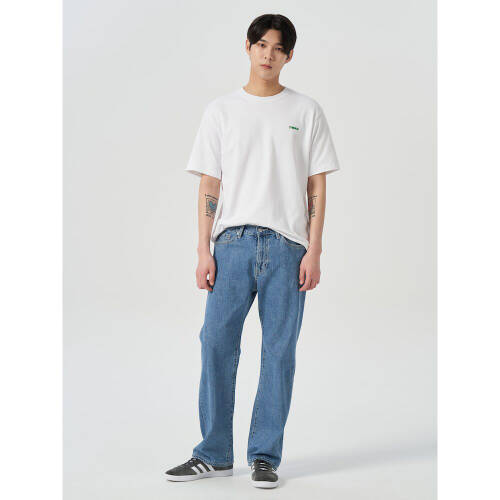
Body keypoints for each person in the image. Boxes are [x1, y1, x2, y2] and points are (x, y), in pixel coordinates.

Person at [165, 13, 340, 489]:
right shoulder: (221, 111)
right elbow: (210, 183)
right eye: (261, 45)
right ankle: (214, 453)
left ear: (289, 56)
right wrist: (203, 250)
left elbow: (316, 185)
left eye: (278, 48)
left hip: (287, 248)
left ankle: (264, 455)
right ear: (248, 47)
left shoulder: (306, 111)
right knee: (215, 343)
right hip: (232, 244)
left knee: (279, 352)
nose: (268, 54)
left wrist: (315, 249)